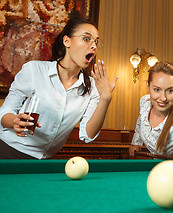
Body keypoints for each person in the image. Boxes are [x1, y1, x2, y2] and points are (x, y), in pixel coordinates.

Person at [0, 14, 118, 159]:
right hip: (8, 150)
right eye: (86, 38)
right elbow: (5, 111)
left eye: (96, 42)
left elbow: (87, 135)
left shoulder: (93, 87)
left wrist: (105, 98)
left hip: (44, 161)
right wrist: (14, 121)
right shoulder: (34, 70)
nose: (93, 46)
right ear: (67, 41)